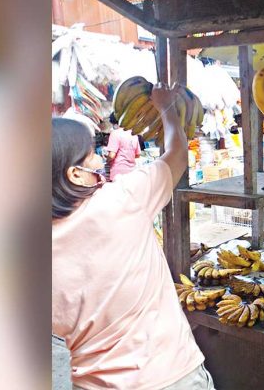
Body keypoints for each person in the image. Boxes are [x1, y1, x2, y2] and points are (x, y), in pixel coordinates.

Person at [52, 84, 215, 390]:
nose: (100, 162)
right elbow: (177, 154)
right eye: (91, 158)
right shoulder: (121, 200)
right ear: (74, 175)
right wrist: (167, 109)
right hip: (168, 375)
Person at [106, 112, 142, 180]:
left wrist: (106, 161)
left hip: (118, 173)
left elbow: (111, 155)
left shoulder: (115, 133)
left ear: (115, 123)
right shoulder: (133, 134)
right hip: (132, 172)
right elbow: (138, 155)